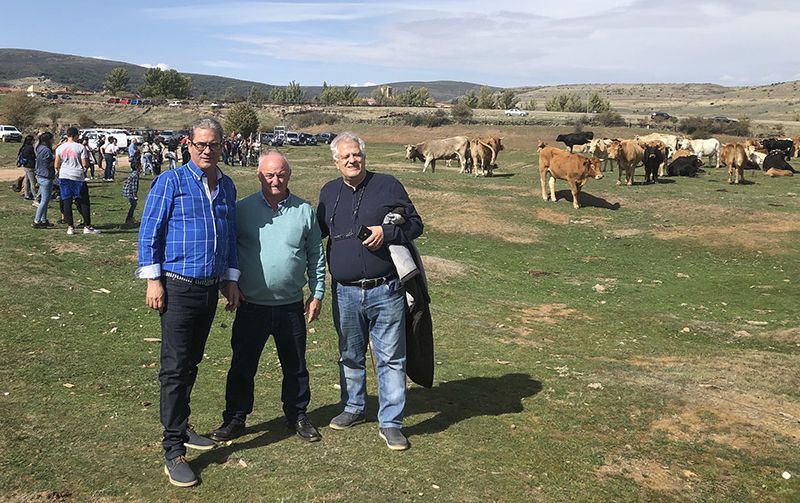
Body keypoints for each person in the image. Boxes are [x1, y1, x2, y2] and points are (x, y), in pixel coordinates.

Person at [137, 117, 241, 488]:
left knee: (192, 362)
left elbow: (228, 237)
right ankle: (173, 449)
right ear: (189, 145)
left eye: (213, 144)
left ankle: (181, 425)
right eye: (200, 144)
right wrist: (153, 280)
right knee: (175, 368)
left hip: (209, 289)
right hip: (177, 287)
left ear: (222, 146)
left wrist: (230, 279)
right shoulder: (171, 181)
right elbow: (149, 232)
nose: (206, 150)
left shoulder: (227, 186)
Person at [316, 132, 423, 451]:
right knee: (350, 354)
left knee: (391, 358)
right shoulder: (328, 192)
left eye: (357, 154)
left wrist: (386, 232)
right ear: (336, 162)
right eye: (346, 156)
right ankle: (353, 407)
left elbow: (415, 225)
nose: (352, 160)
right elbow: (316, 232)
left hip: (386, 288)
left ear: (364, 157)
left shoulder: (387, 185)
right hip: (345, 293)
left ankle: (391, 422)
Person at [210, 151, 325, 444]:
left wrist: (317, 293)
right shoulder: (243, 209)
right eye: (270, 175)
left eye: (281, 174)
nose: (276, 180)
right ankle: (235, 417)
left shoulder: (304, 210)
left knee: (295, 365)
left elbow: (315, 254)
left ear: (289, 175)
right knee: (242, 365)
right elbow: (227, 249)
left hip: (290, 306)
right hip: (251, 305)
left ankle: (297, 415)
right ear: (259, 175)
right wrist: (228, 283)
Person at [55, 127, 99, 235]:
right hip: (77, 176)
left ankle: (70, 227)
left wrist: (61, 170)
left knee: (67, 201)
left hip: (64, 176)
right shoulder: (80, 147)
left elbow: (56, 164)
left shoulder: (60, 148)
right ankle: (87, 226)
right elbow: (85, 164)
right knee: (83, 201)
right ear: (76, 135)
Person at [32, 132, 56, 229]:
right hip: (46, 176)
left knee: (44, 199)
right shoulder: (46, 150)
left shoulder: (39, 148)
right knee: (45, 200)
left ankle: (43, 220)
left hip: (40, 175)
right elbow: (49, 163)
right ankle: (37, 220)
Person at [122, 157, 141, 225]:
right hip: (129, 192)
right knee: (133, 204)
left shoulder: (133, 173)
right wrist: (135, 195)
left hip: (128, 191)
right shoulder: (135, 175)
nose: (141, 167)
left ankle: (130, 218)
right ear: (136, 167)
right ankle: (128, 219)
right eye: (140, 166)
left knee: (133, 205)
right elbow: (134, 186)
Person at [18, 135, 37, 200]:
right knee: (33, 182)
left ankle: (27, 195)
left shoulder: (24, 147)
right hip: (30, 166)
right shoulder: (30, 148)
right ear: (31, 141)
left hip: (25, 165)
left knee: (27, 181)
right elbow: (34, 156)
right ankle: (35, 196)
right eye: (33, 140)